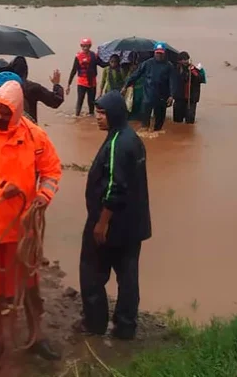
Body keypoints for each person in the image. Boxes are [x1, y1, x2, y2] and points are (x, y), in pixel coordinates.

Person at [0, 80, 63, 361]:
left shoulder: (36, 137)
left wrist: (43, 197)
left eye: (5, 113)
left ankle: (37, 336)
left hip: (24, 228)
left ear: (17, 112)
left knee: (30, 287)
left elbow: (52, 171)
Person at [78, 91, 151, 340]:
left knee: (92, 272)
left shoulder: (117, 144)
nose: (98, 118)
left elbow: (115, 186)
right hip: (134, 223)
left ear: (116, 114)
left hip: (111, 224)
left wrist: (101, 223)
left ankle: (95, 322)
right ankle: (126, 325)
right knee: (128, 277)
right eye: (98, 112)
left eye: (103, 113)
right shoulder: (133, 139)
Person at [123, 43, 176, 131]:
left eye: (161, 53)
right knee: (144, 125)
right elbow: (136, 75)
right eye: (157, 53)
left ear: (164, 53)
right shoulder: (147, 63)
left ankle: (157, 137)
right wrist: (125, 86)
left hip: (162, 97)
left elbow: (172, 82)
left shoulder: (169, 66)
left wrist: (171, 95)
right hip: (148, 96)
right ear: (154, 52)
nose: (159, 55)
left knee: (159, 124)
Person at [0, 56, 64, 122]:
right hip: (29, 128)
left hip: (6, 127)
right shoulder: (33, 88)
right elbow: (56, 101)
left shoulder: (0, 88)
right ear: (26, 70)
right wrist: (56, 84)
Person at [66, 38, 104, 116]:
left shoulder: (94, 55)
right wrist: (68, 85)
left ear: (90, 46)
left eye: (87, 46)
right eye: (84, 46)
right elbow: (73, 71)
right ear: (81, 46)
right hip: (82, 82)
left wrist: (111, 61)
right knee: (80, 100)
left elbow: (102, 64)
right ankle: (77, 116)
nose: (85, 48)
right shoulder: (78, 56)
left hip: (92, 82)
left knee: (91, 101)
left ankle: (91, 115)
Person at [173, 51, 203, 124]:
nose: (185, 61)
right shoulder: (176, 69)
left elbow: (199, 79)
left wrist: (192, 71)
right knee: (177, 121)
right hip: (179, 98)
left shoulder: (194, 69)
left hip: (191, 98)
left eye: (186, 59)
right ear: (179, 61)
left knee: (189, 120)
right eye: (182, 60)